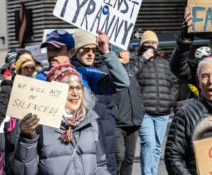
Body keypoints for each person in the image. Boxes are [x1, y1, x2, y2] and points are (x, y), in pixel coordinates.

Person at [10, 64, 109, 174]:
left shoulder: (91, 122)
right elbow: (23, 171)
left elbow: (100, 165)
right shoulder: (38, 124)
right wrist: (27, 140)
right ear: (55, 93)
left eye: (78, 87)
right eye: (68, 88)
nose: (75, 93)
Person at [72, 29, 130, 175]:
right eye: (86, 49)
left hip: (104, 142)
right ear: (74, 51)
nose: (91, 53)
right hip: (81, 146)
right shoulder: (70, 75)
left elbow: (123, 82)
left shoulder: (93, 74)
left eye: (94, 49)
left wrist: (106, 51)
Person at [164, 56, 212, 175]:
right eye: (205, 76)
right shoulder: (185, 114)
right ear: (198, 82)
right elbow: (173, 157)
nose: (211, 81)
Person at [130, 30, 178, 175]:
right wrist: (143, 58)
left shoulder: (164, 62)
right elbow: (130, 76)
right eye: (147, 42)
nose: (150, 45)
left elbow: (174, 83)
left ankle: (152, 172)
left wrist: (170, 101)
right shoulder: (136, 61)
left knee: (157, 147)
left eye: (153, 43)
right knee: (149, 144)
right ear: (141, 45)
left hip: (162, 112)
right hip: (145, 113)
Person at [110, 46, 145, 175]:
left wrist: (141, 110)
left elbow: (137, 93)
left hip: (133, 122)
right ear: (119, 54)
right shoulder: (109, 70)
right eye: (126, 51)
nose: (129, 53)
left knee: (129, 159)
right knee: (118, 157)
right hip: (117, 123)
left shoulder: (130, 71)